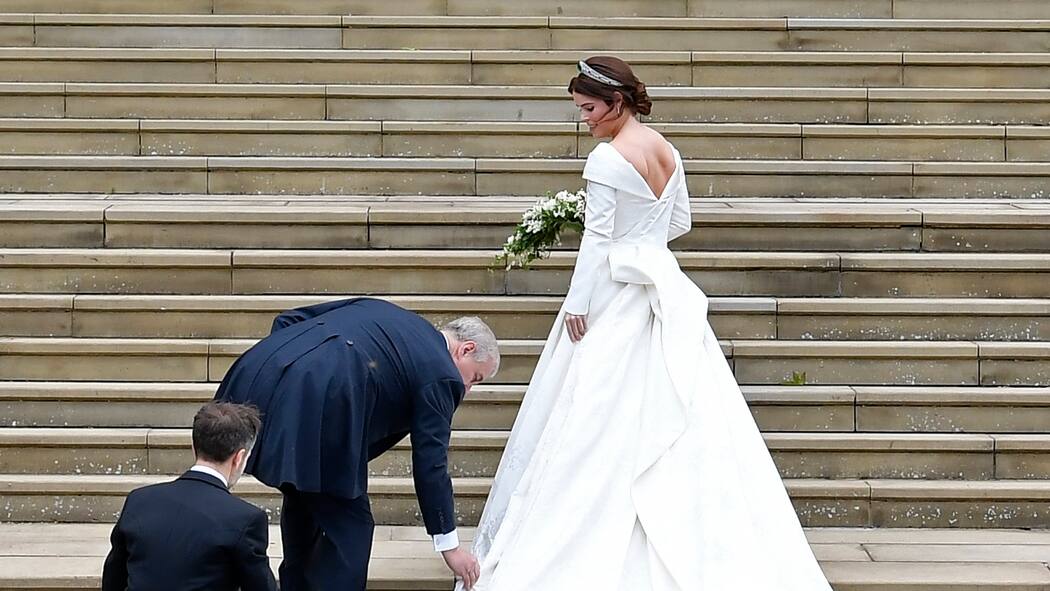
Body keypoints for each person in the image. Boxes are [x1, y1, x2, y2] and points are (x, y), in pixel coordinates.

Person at [462, 57, 834, 590]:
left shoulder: (606, 158)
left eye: (589, 109)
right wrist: (644, 239)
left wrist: (578, 304)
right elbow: (680, 221)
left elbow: (597, 240)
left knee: (593, 415)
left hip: (616, 292)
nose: (584, 119)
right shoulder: (667, 151)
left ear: (616, 103)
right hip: (664, 285)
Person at [213, 297, 499, 591]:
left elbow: (289, 319)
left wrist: (292, 379)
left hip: (256, 372)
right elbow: (431, 462)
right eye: (475, 377)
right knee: (351, 528)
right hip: (320, 409)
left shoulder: (382, 310)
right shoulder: (442, 374)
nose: (468, 388)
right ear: (466, 349)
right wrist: (450, 546)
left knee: (307, 499)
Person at [102, 402, 277, 591]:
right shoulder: (245, 519)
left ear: (194, 448)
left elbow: (113, 578)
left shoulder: (139, 501)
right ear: (239, 457)